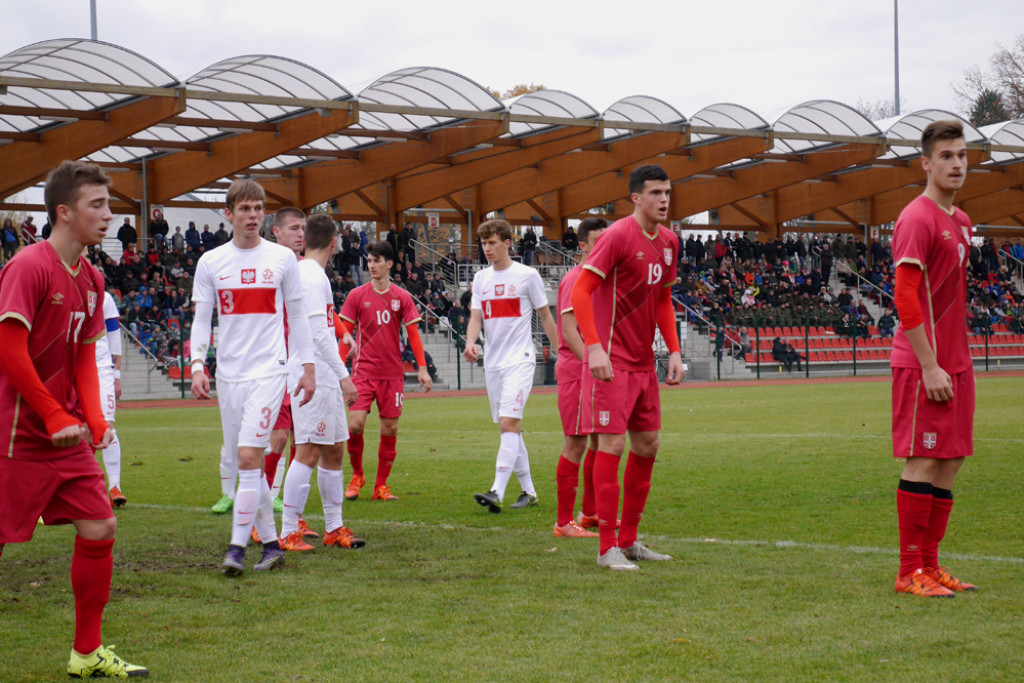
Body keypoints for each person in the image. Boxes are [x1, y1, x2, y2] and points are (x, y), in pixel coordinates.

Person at [0, 160, 148, 677]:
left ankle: (86, 652)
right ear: (64, 213)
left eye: (108, 204)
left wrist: (94, 418)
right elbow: (8, 350)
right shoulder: (28, 266)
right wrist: (51, 412)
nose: (109, 215)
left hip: (65, 434)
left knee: (101, 525)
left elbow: (86, 354)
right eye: (97, 205)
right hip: (14, 434)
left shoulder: (92, 276)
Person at [190, 179, 316, 576]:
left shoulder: (281, 259)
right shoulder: (211, 262)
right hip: (229, 376)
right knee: (247, 463)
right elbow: (201, 318)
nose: (252, 216)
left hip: (269, 371)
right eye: (244, 209)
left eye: (258, 208)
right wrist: (197, 364)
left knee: (248, 458)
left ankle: (236, 548)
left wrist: (307, 366)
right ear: (228, 214)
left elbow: (297, 316)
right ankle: (274, 546)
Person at [570, 163, 683, 570]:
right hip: (611, 361)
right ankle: (606, 548)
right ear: (636, 198)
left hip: (643, 362)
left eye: (667, 192)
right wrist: (595, 347)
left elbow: (664, 301)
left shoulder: (669, 241)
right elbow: (582, 291)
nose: (664, 199)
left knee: (648, 444)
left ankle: (630, 540)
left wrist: (673, 350)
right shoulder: (618, 235)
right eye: (655, 193)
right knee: (612, 445)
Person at [890, 120, 977, 598]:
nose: (957, 163)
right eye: (946, 156)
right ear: (926, 163)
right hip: (925, 363)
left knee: (950, 460)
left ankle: (930, 565)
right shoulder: (917, 218)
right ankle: (908, 572)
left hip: (957, 362)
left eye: (962, 154)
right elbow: (906, 298)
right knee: (923, 459)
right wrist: (928, 364)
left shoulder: (961, 221)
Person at [278, 214, 363, 551]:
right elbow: (317, 332)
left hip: (320, 375)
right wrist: (344, 376)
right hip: (313, 374)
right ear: (333, 243)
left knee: (334, 451)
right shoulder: (312, 276)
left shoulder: (308, 274)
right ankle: (287, 530)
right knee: (309, 451)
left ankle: (334, 527)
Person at [465, 219, 558, 512]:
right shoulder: (480, 279)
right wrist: (471, 342)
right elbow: (476, 317)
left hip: (520, 360)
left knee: (509, 423)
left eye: (492, 242)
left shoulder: (527, 275)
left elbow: (545, 316)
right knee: (510, 429)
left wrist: (561, 353)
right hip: (493, 363)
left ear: (508, 243)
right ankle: (528, 492)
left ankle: (497, 491)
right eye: (483, 243)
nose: (487, 248)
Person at [338, 242, 433, 501]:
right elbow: (343, 335)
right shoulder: (357, 295)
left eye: (377, 260)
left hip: (392, 374)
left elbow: (413, 334)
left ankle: (381, 486)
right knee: (355, 425)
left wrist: (422, 369)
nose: (371, 265)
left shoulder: (402, 297)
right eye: (368, 261)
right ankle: (357, 475)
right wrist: (339, 370)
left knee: (389, 429)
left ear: (389, 263)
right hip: (363, 372)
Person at [553, 217, 607, 538]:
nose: (604, 246)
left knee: (599, 439)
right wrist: (593, 362)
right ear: (583, 246)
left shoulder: (600, 279)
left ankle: (589, 513)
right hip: (577, 371)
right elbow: (570, 330)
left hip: (594, 370)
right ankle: (563, 523)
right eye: (597, 240)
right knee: (576, 441)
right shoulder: (576, 279)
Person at [95, 290, 127, 507]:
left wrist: (116, 375)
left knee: (107, 427)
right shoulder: (61, 288)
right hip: (71, 369)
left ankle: (115, 487)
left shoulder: (103, 296)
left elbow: (114, 336)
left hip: (101, 368)